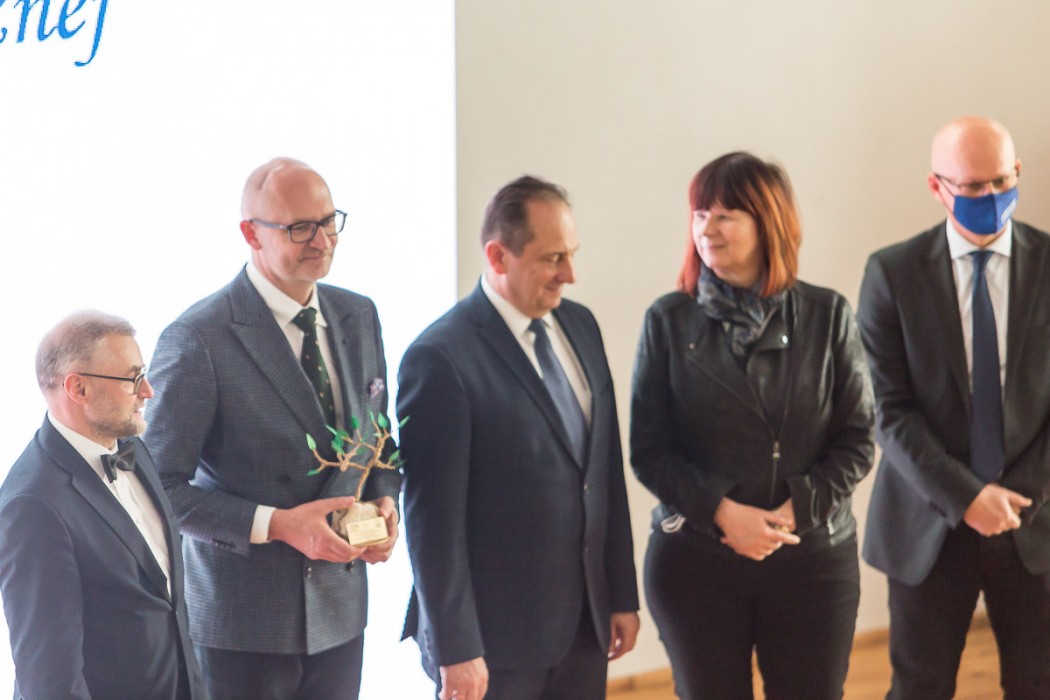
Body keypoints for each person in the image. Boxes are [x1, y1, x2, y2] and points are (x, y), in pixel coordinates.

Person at [144, 157, 402, 700]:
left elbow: (379, 439)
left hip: (341, 611)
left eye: (329, 221)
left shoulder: (359, 314)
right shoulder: (198, 337)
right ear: (250, 234)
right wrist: (279, 525)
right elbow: (158, 489)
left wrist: (384, 503)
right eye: (300, 228)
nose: (322, 240)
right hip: (242, 626)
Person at [631, 152, 875, 699]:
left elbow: (858, 440)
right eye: (700, 214)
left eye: (725, 215)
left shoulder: (827, 315)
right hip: (697, 562)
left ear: (768, 223)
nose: (706, 229)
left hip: (812, 560)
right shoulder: (668, 320)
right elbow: (649, 450)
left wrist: (790, 516)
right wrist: (724, 514)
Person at [398, 175, 640, 700]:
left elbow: (603, 472)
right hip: (492, 646)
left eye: (571, 254)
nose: (570, 274)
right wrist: (456, 648)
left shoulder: (582, 326)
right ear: (498, 256)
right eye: (553, 258)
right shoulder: (439, 358)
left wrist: (621, 593)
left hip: (584, 628)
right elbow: (432, 525)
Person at [858, 116, 1050, 698]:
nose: (989, 196)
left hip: (1034, 519)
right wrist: (967, 497)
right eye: (971, 186)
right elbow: (889, 411)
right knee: (920, 686)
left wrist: (1015, 498)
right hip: (928, 520)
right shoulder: (892, 273)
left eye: (1002, 180)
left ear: (1017, 172)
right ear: (937, 187)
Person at [0, 311, 205, 700]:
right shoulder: (32, 505)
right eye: (132, 379)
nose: (148, 391)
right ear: (78, 388)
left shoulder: (132, 447)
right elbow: (49, 678)